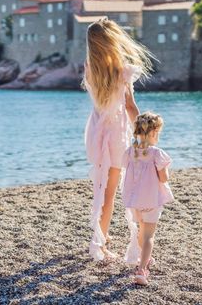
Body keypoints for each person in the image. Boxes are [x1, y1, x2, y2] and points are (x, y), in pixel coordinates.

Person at [82, 17, 155, 261]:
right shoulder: (122, 71)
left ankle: (101, 237)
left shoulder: (90, 69)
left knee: (101, 188)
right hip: (115, 137)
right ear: (112, 41)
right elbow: (131, 107)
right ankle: (99, 245)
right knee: (110, 194)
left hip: (95, 132)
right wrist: (143, 130)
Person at [121, 111, 174, 285]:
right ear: (152, 133)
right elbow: (163, 178)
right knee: (149, 236)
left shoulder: (131, 152)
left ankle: (145, 258)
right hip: (152, 199)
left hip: (135, 200)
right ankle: (142, 270)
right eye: (157, 133)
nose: (158, 137)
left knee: (142, 231)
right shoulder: (156, 153)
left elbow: (124, 168)